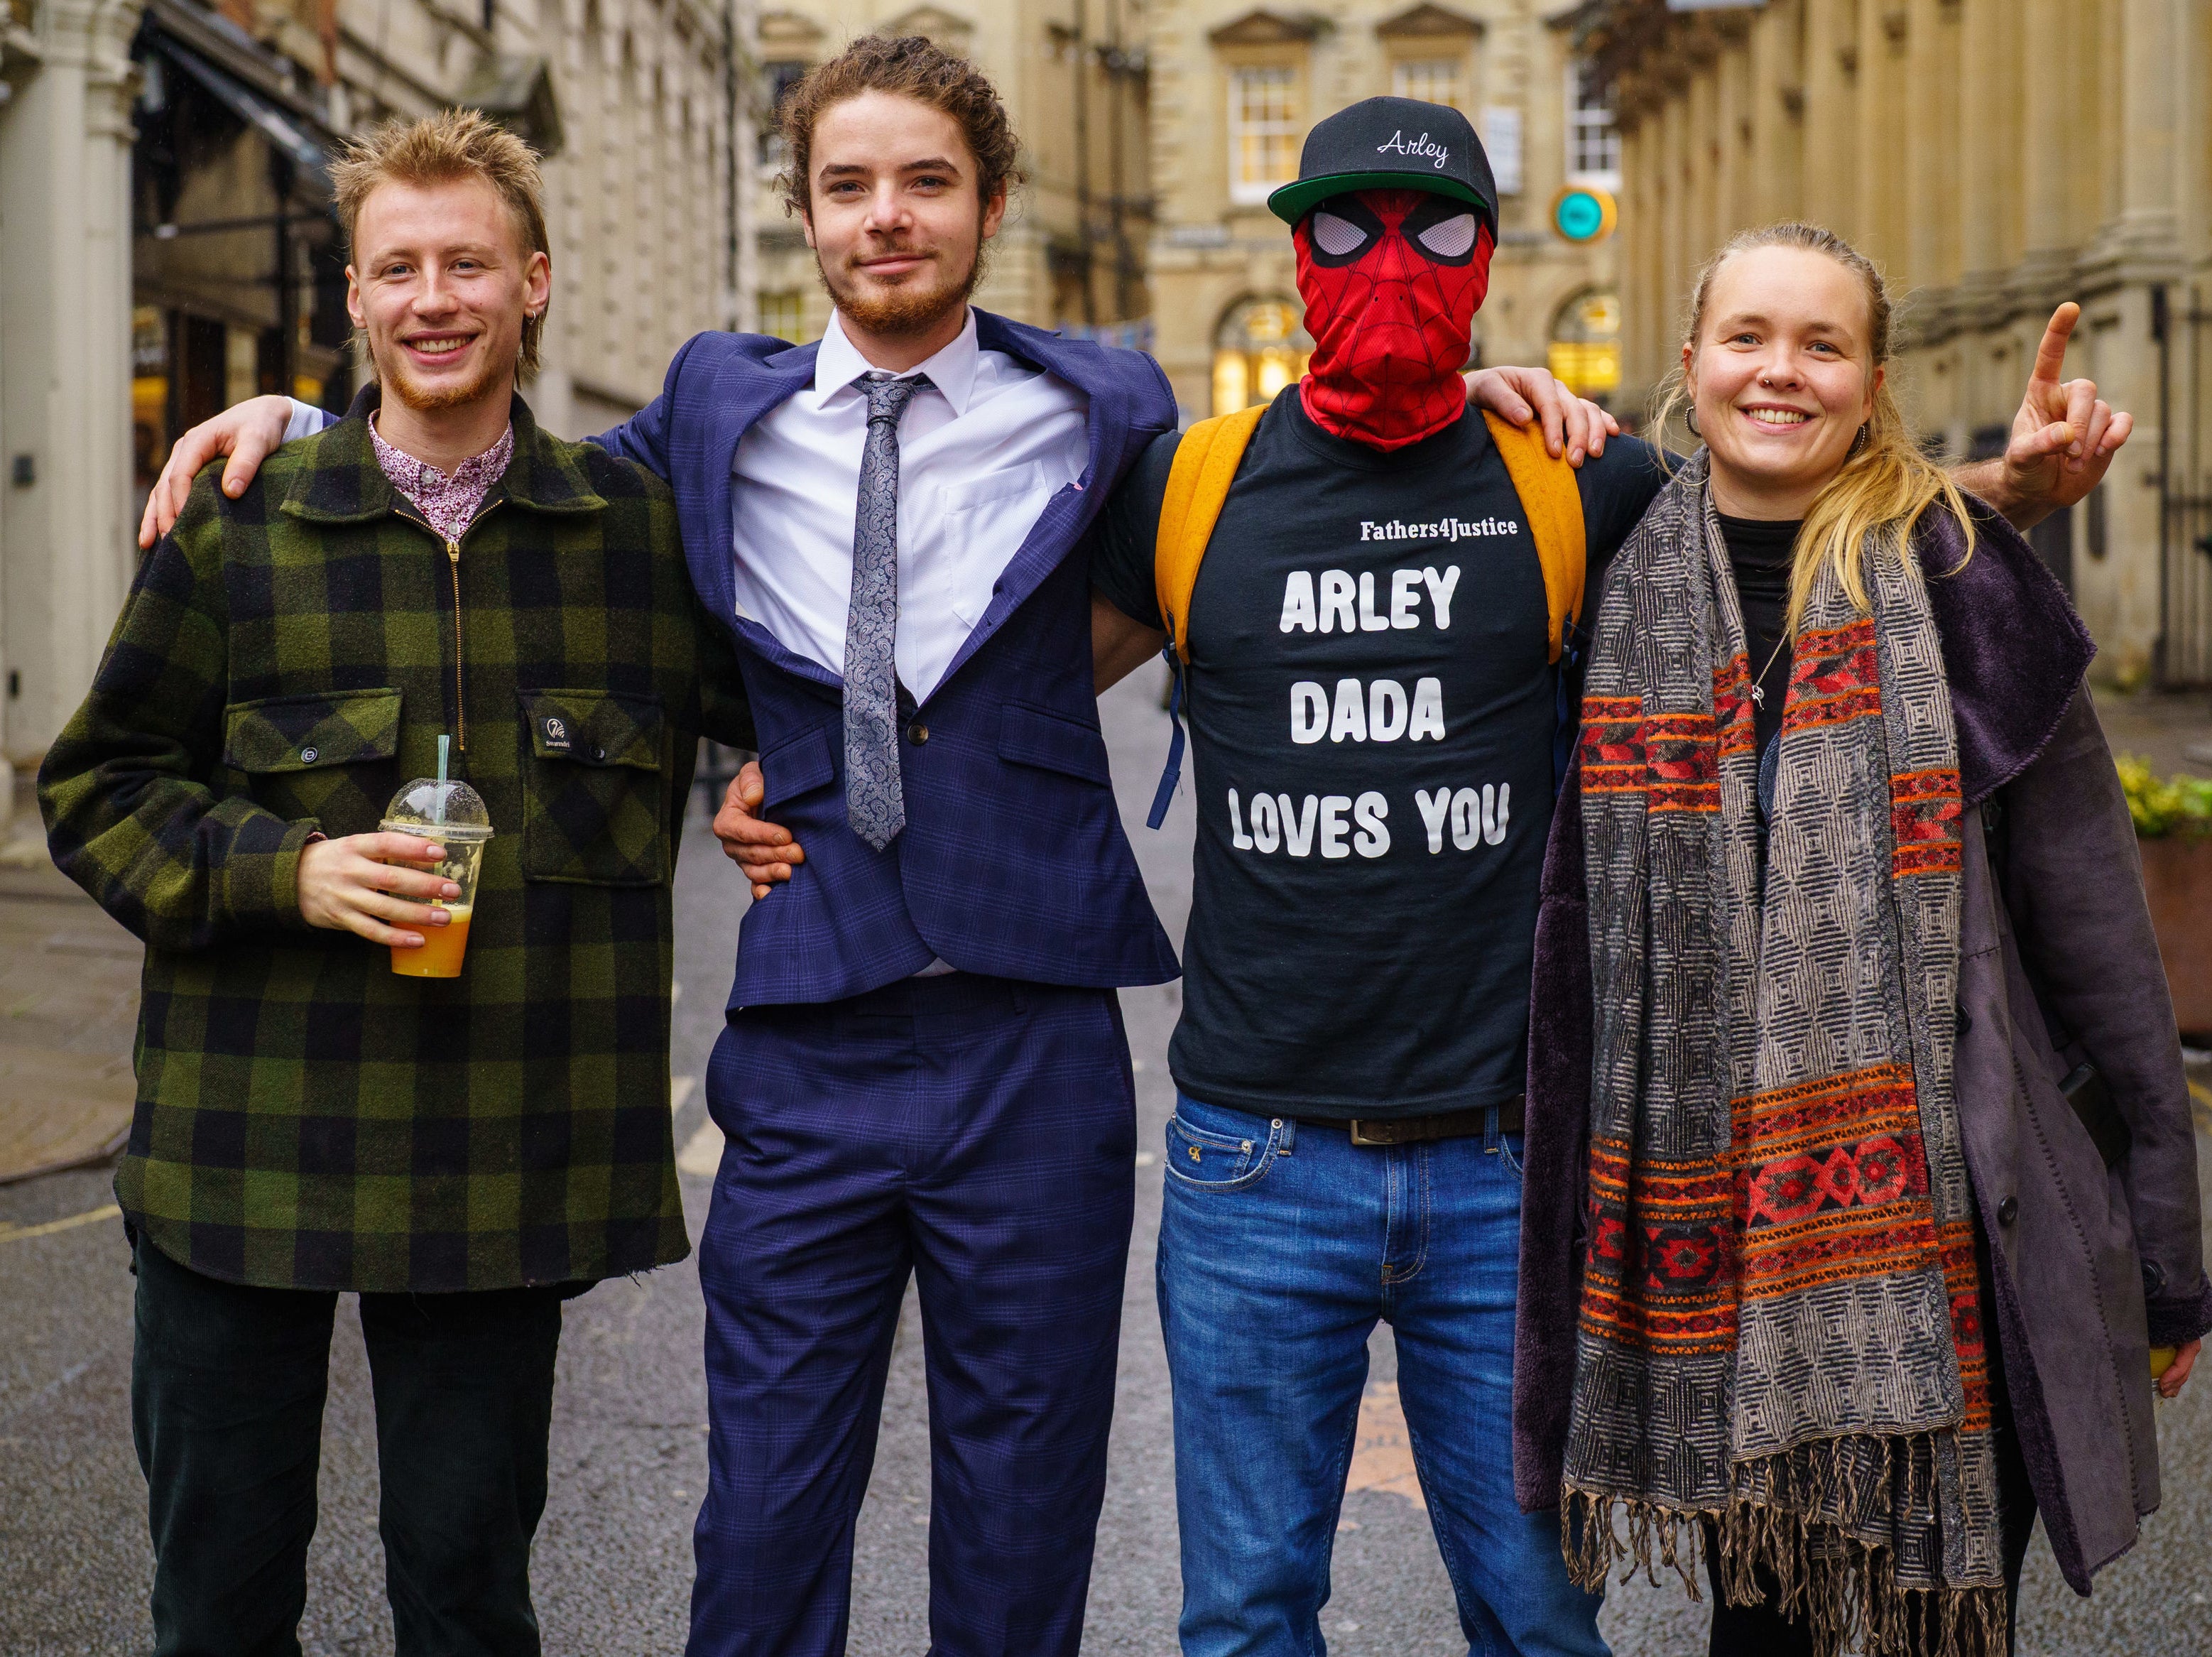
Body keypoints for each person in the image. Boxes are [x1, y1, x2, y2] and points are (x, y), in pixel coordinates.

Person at [137, 46, 1619, 1655]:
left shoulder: (1113, 406)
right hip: (808, 1033)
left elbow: (1308, 468)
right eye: (849, 186)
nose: (886, 218)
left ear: (988, 205)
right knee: (764, 1526)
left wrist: (1474, 397)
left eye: (924, 181)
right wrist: (310, 413)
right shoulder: (712, 405)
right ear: (806, 215)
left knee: (1022, 1516)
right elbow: (499, 482)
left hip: (1035, 1038)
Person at [724, 112, 2125, 1656]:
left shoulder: (1569, 478)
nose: (1389, 268)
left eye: (1436, 231)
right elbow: (990, 699)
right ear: (1292, 249)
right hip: (1253, 1162)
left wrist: (2010, 491)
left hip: (1500, 1166)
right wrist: (787, 759)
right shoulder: (1188, 487)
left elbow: (1790, 533)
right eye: (1346, 230)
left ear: (1491, 256)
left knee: (1535, 1621)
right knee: (1247, 1620)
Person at [40, 111, 751, 1655]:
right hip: (248, 1156)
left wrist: (769, 781)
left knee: (468, 1602)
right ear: (353, 301)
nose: (435, 298)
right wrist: (279, 870)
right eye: (399, 269)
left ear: (534, 282)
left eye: (469, 265)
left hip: (502, 1169)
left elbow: (800, 724)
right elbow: (96, 786)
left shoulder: (638, 539)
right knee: (219, 1609)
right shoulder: (242, 528)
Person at [1532, 223, 2206, 1657]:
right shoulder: (1608, 577)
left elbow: (2094, 931)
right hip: (1709, 1242)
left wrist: (2165, 1248)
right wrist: (1485, 381)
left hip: (1967, 1241)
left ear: (1873, 383)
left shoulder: (1967, 583)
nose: (1780, 372)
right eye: (1748, 338)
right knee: (1759, 1634)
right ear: (1690, 363)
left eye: (1821, 345)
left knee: (1945, 1633)